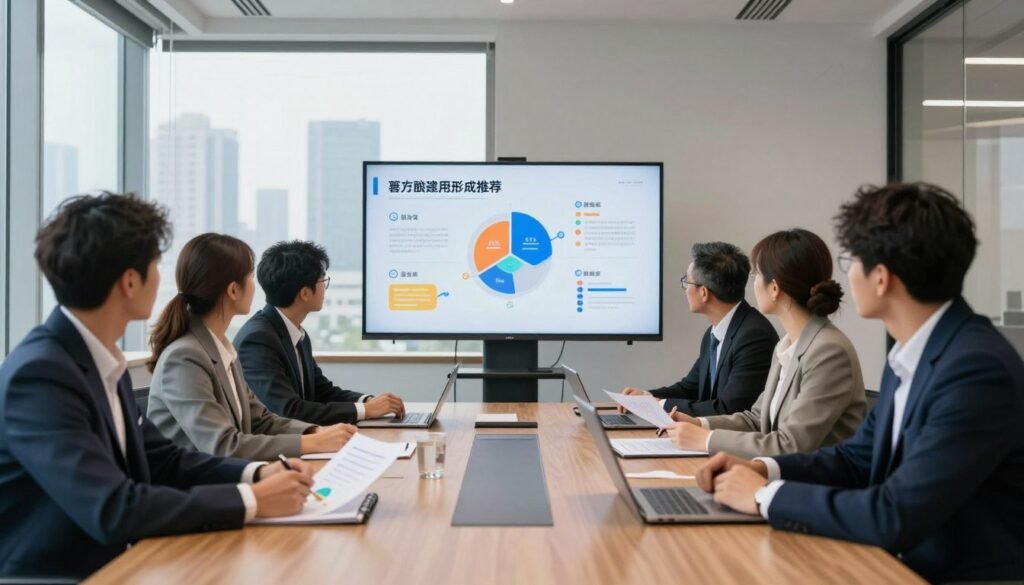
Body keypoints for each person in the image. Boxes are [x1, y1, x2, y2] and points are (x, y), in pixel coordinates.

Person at [694, 183, 1024, 583]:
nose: (845, 275)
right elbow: (855, 459)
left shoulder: (975, 370)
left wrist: (763, 497)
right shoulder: (916, 353)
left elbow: (894, 513)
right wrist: (764, 469)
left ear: (881, 278)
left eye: (851, 260)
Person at [0, 194, 315, 578]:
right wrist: (250, 499)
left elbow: (165, 460)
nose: (162, 278)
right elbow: (114, 509)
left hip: (121, 561)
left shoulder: (95, 359)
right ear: (130, 282)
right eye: (155, 264)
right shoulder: (41, 376)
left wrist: (256, 475)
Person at [147, 234, 357, 460]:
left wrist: (316, 431)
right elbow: (223, 445)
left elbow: (261, 420)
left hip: (225, 478)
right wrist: (312, 442)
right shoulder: (184, 357)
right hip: (194, 489)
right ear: (233, 290)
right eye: (249, 275)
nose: (255, 285)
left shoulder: (221, 348)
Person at [665, 229, 866, 458]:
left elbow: (789, 445)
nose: (753, 284)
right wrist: (700, 424)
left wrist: (706, 439)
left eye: (757, 275)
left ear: (774, 288)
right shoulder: (787, 345)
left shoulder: (829, 351)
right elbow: (755, 419)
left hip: (814, 487)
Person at [235, 240, 405, 425]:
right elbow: (287, 410)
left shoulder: (296, 333)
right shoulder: (258, 340)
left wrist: (367, 401)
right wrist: (366, 411)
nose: (325, 287)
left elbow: (322, 392)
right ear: (305, 293)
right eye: (323, 280)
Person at [622, 242, 778, 416]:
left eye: (687, 282)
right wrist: (647, 397)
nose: (686, 289)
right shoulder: (715, 332)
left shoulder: (754, 336)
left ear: (703, 292)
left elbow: (729, 409)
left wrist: (661, 405)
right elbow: (691, 388)